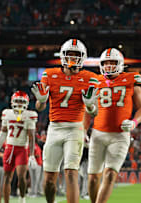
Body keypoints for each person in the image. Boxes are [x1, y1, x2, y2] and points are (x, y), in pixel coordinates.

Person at [31, 38, 99, 203]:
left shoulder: (90, 77)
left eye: (77, 55)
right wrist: (40, 101)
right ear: (62, 56)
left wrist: (90, 106)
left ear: (83, 57)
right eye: (70, 55)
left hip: (75, 128)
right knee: (48, 180)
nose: (73, 59)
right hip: (54, 128)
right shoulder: (50, 74)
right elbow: (40, 107)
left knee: (71, 172)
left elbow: (94, 111)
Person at [87, 48, 141, 203]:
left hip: (120, 135)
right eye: (105, 63)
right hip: (98, 134)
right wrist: (83, 129)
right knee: (93, 178)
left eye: (112, 62)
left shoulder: (131, 79)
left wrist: (134, 122)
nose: (108, 66)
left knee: (109, 175)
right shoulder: (95, 81)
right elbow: (87, 109)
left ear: (120, 64)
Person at [0, 90, 38, 203]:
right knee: (7, 177)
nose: (19, 104)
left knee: (21, 177)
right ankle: (6, 201)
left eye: (21, 101)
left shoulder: (30, 115)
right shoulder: (7, 113)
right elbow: (3, 132)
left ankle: (22, 198)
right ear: (12, 102)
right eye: (17, 101)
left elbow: (31, 136)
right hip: (9, 148)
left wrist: (32, 154)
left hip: (21, 149)